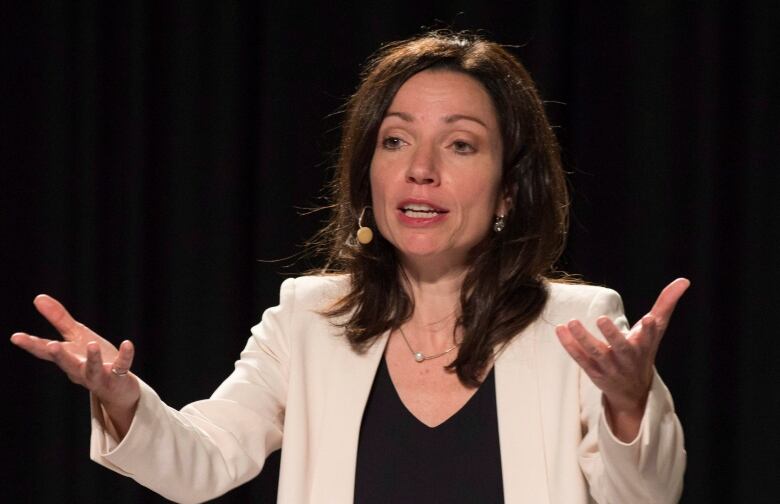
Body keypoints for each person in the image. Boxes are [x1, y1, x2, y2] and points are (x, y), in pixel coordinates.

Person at [10, 31, 687, 503]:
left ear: (510, 191)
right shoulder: (309, 317)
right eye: (395, 140)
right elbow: (204, 461)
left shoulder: (578, 325)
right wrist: (125, 401)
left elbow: (648, 496)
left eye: (460, 144)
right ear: (368, 176)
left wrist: (629, 404)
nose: (421, 169)